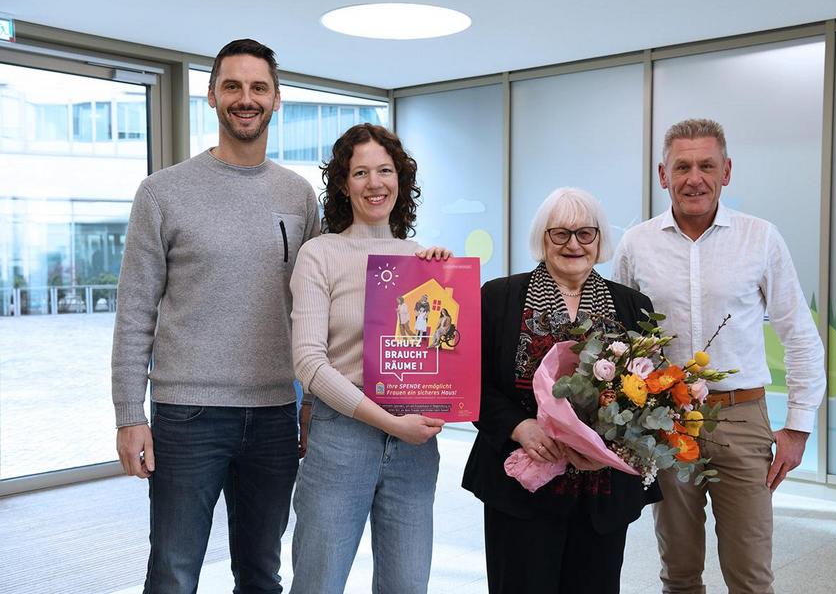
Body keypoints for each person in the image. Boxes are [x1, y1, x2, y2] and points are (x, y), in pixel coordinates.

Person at [111, 39, 320, 593]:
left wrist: (312, 402)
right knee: (174, 573)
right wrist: (129, 414)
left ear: (277, 100)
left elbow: (319, 310)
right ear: (211, 96)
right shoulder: (162, 193)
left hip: (277, 412)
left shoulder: (300, 197)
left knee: (261, 572)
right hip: (187, 415)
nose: (244, 98)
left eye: (258, 88)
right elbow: (134, 310)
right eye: (232, 86)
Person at [612, 118, 826, 594]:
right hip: (664, 424)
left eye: (707, 165)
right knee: (679, 570)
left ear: (726, 171)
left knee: (750, 573)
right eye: (682, 166)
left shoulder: (761, 238)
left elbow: (799, 333)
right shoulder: (636, 244)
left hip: (742, 419)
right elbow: (619, 340)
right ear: (662, 174)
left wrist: (798, 425)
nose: (695, 178)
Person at [462, 187, 662, 594]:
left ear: (599, 239)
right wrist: (521, 427)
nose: (574, 244)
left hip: (601, 491)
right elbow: (470, 384)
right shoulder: (499, 298)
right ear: (543, 238)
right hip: (520, 486)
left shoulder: (633, 306)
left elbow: (651, 392)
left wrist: (610, 448)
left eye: (585, 234)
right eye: (561, 234)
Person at [289, 123, 450, 594]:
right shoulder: (319, 254)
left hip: (415, 443)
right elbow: (309, 364)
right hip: (342, 436)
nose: (375, 183)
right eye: (361, 172)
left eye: (385, 170)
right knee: (319, 582)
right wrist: (388, 422)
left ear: (401, 180)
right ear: (343, 183)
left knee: (407, 585)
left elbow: (440, 350)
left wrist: (445, 281)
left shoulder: (421, 257)